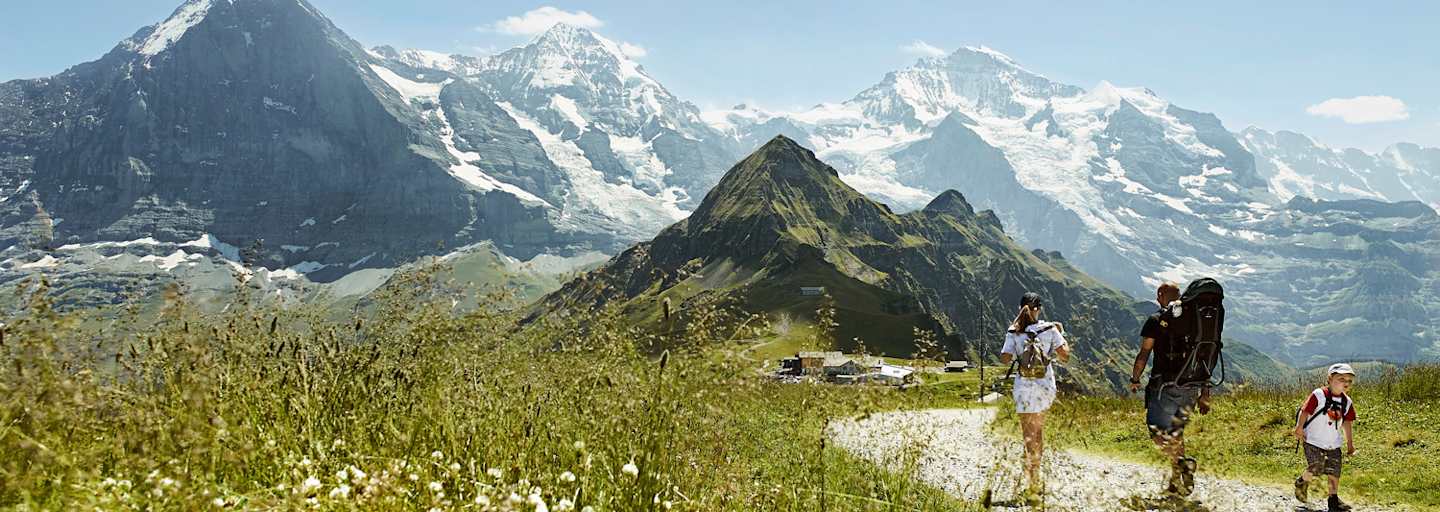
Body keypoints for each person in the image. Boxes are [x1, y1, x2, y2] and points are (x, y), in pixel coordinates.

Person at [1128, 281, 1211, 496]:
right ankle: (1176, 481)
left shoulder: (1156, 320)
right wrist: (1205, 392)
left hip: (1164, 387)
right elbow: (1204, 356)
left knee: (1156, 432)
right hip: (1191, 388)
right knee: (1176, 433)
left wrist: (1135, 378)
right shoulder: (1194, 322)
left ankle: (1182, 464)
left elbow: (1144, 353)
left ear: (1160, 294)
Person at [1000, 292, 1070, 500]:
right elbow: (1065, 356)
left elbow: (1004, 359)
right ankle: (1036, 480)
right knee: (1038, 433)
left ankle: (1032, 482)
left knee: (1028, 436)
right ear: (1039, 309)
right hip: (1044, 386)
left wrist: (1015, 336)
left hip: (1023, 387)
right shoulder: (1050, 329)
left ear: (1021, 308)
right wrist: (1060, 333)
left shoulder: (1013, 331)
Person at [1295, 363, 1358, 512]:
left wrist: (1350, 444)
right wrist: (1299, 427)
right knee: (1316, 468)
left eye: (1349, 380)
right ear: (1329, 379)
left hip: (1333, 444)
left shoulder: (1347, 402)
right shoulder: (1319, 395)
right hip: (1313, 441)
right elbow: (1305, 411)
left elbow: (1347, 423)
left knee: (1334, 471)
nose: (1346, 383)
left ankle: (1333, 501)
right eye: (1341, 378)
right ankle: (1301, 482)